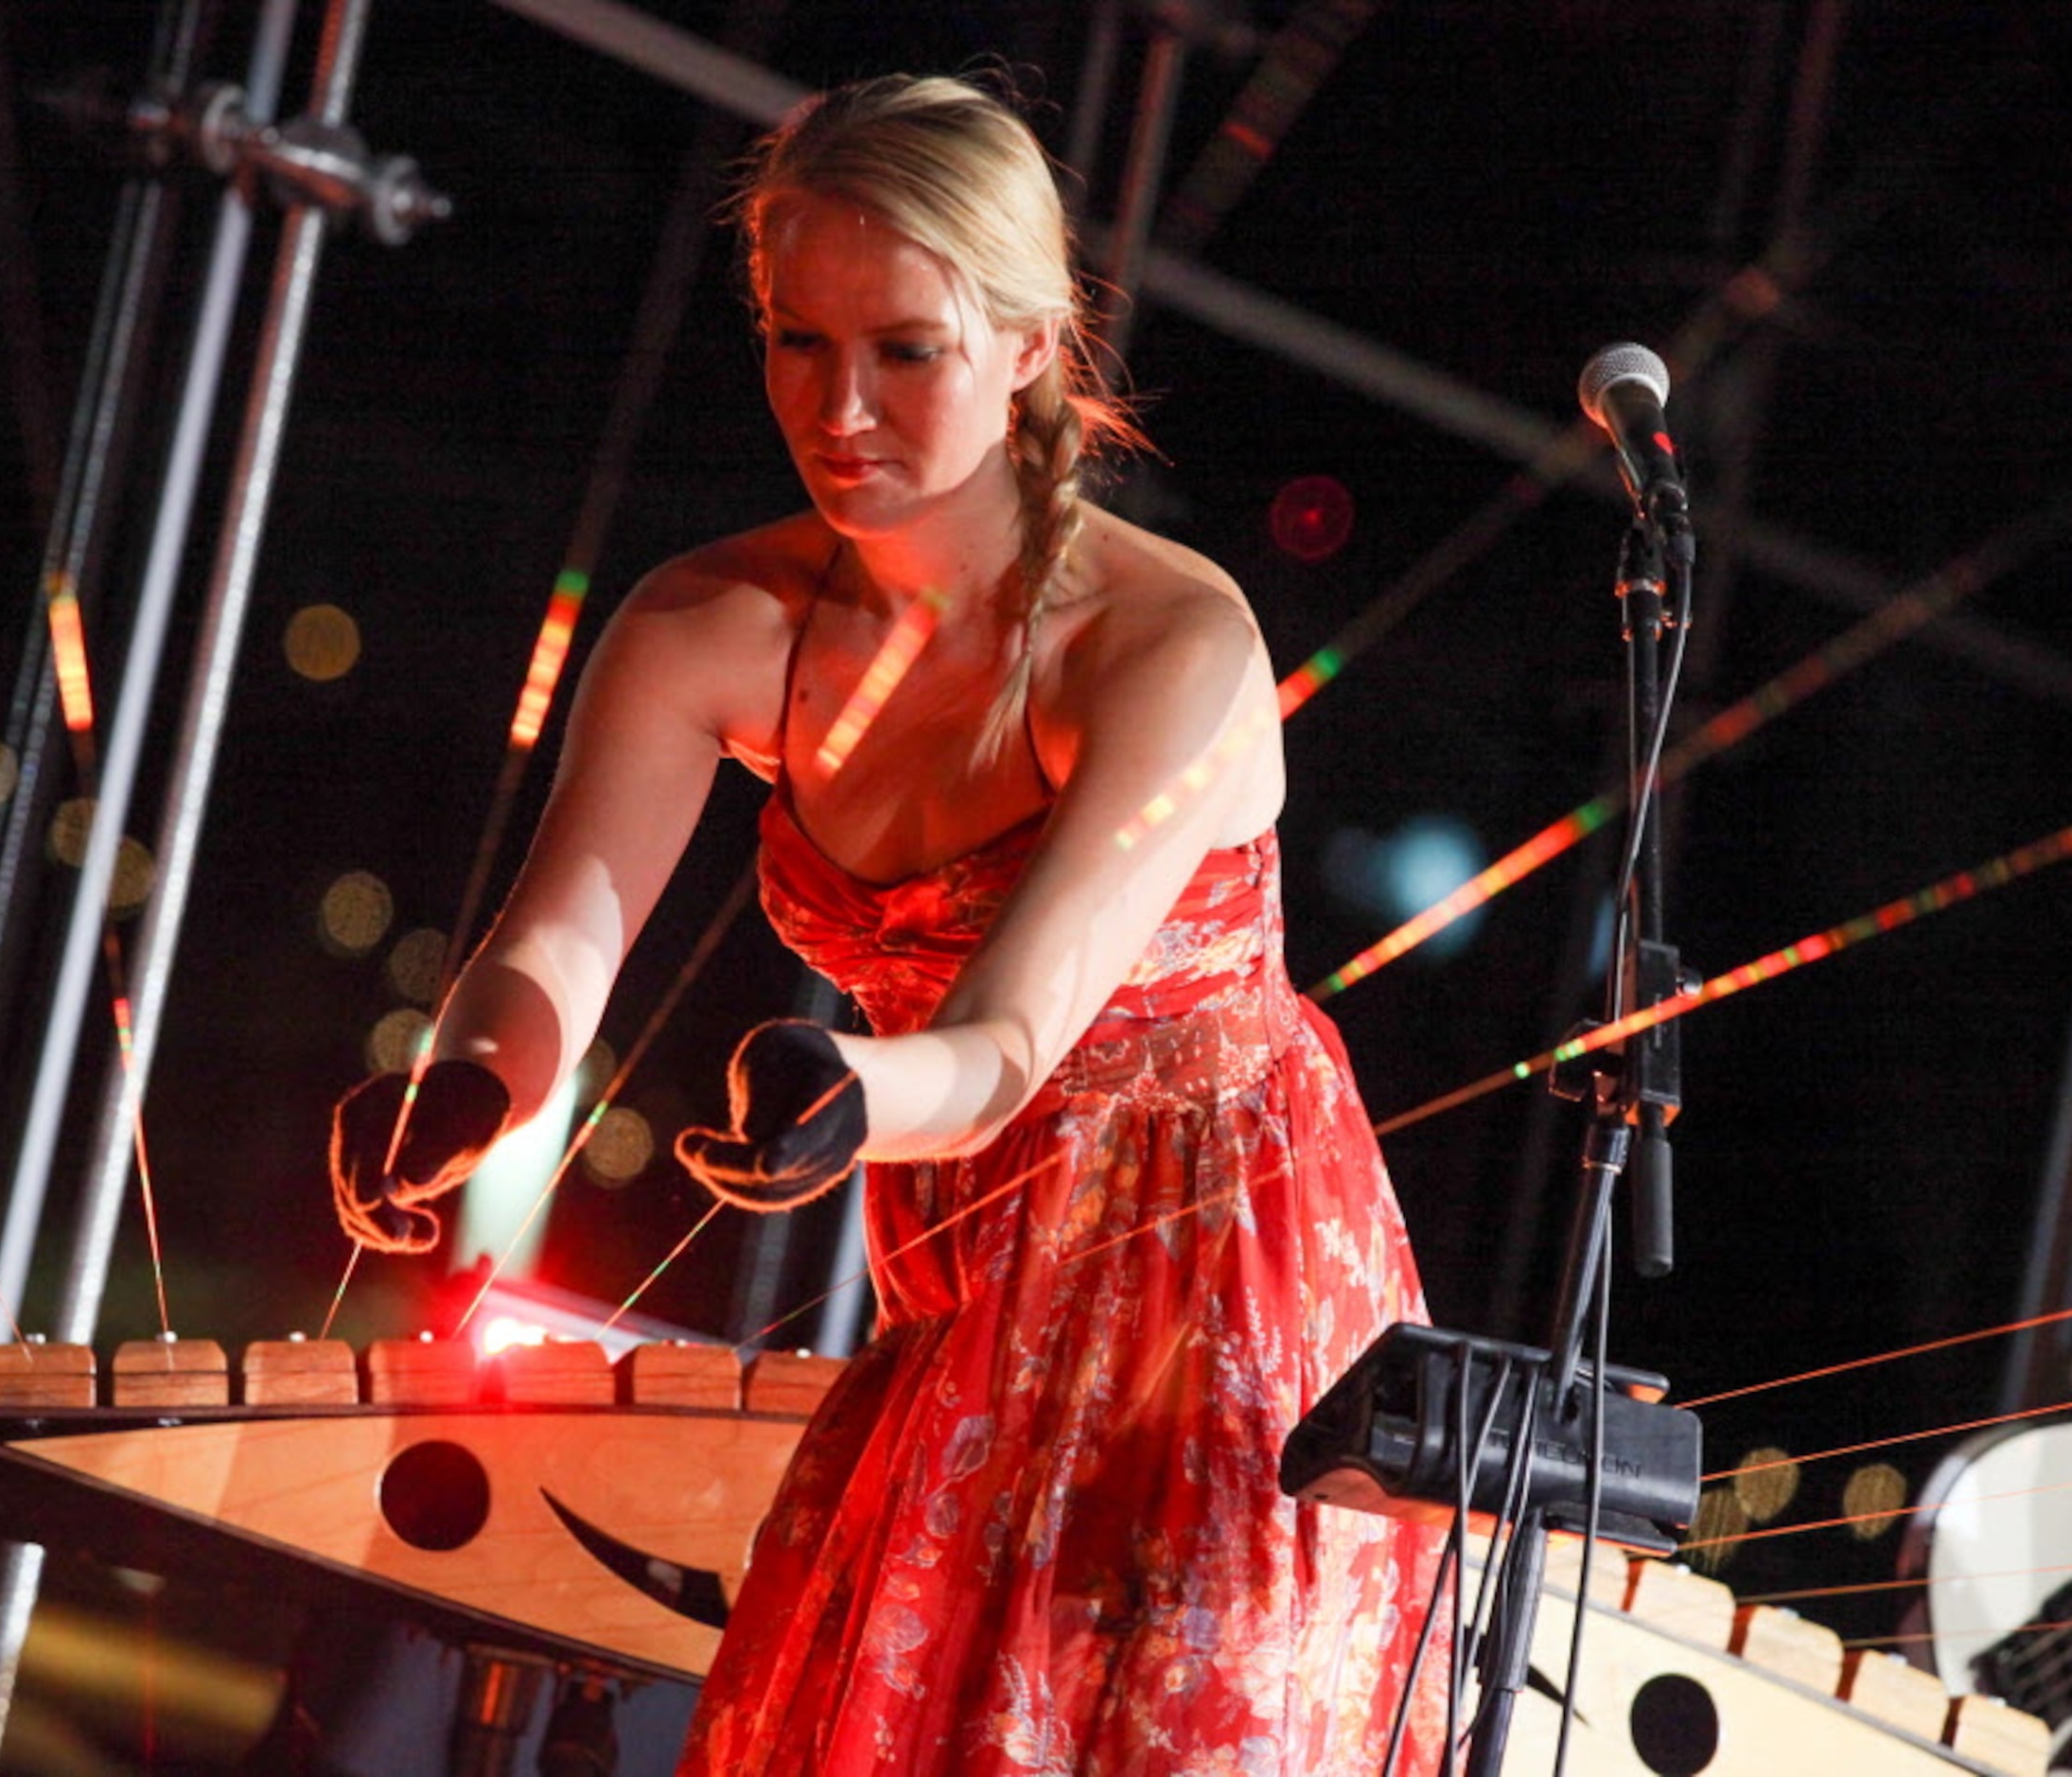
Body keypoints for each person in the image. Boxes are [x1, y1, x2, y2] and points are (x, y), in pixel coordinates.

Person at [330, 72, 1448, 1775]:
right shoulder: (713, 618)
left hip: (1213, 1293)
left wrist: (856, 1090)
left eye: (902, 351)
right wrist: (470, 1080)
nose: (837, 406)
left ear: (1025, 343)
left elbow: (1006, 1043)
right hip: (966, 1269)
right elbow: (565, 927)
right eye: (796, 340)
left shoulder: (1166, 646)